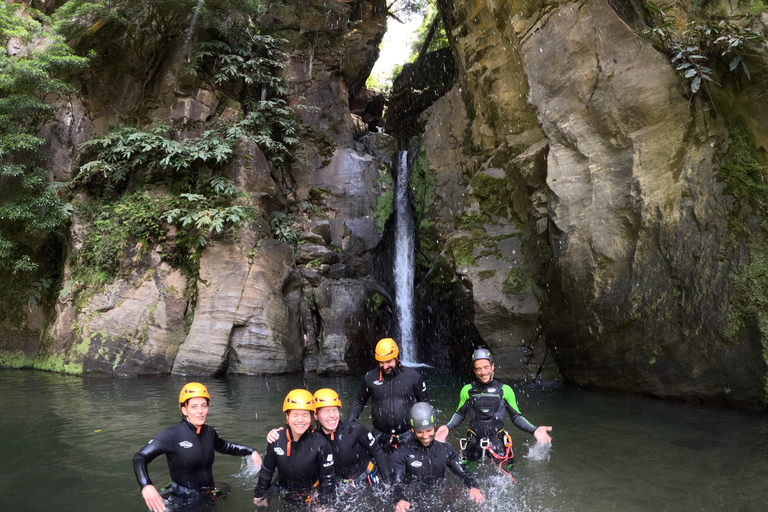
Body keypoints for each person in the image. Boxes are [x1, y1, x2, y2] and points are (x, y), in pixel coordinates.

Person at [133, 382, 262, 512]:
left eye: (204, 406)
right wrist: (146, 485)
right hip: (183, 498)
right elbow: (140, 457)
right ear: (184, 409)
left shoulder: (209, 432)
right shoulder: (170, 435)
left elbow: (225, 446)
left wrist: (251, 451)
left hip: (207, 493)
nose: (200, 411)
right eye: (194, 407)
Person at [435, 348, 552, 464]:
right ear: (474, 371)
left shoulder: (505, 390)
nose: (483, 372)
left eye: (486, 367)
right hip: (473, 442)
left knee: (508, 478)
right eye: (478, 369)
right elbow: (460, 414)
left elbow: (516, 417)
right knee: (466, 477)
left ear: (492, 366)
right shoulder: (467, 390)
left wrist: (534, 430)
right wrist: (447, 427)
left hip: (498, 442)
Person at [267, 388, 391, 487]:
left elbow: (377, 452)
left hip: (368, 477)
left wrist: (387, 481)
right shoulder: (313, 440)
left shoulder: (354, 429)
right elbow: (291, 449)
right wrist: (276, 434)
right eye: (326, 411)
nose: (332, 416)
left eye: (335, 410)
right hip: (338, 485)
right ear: (315, 415)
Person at [391, 402, 484, 512]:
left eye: (429, 430)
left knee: (473, 497)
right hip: (413, 500)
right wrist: (400, 499)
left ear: (435, 426)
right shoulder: (401, 453)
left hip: (440, 496)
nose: (425, 436)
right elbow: (397, 482)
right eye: (420, 432)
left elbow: (464, 474)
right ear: (413, 430)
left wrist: (474, 487)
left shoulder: (445, 450)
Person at [253, 389, 336, 506]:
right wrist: (259, 494)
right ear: (287, 416)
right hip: (281, 488)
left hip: (311, 491)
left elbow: (328, 480)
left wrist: (325, 505)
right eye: (295, 415)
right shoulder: (276, 439)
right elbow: (267, 471)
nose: (300, 420)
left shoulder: (321, 443)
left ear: (311, 417)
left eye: (305, 415)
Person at [346, 338, 428, 452]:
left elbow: (424, 405)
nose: (385, 367)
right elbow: (359, 402)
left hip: (407, 436)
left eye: (388, 361)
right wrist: (348, 425)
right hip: (380, 436)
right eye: (381, 362)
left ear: (397, 358)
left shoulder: (414, 377)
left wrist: (425, 433)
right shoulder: (370, 377)